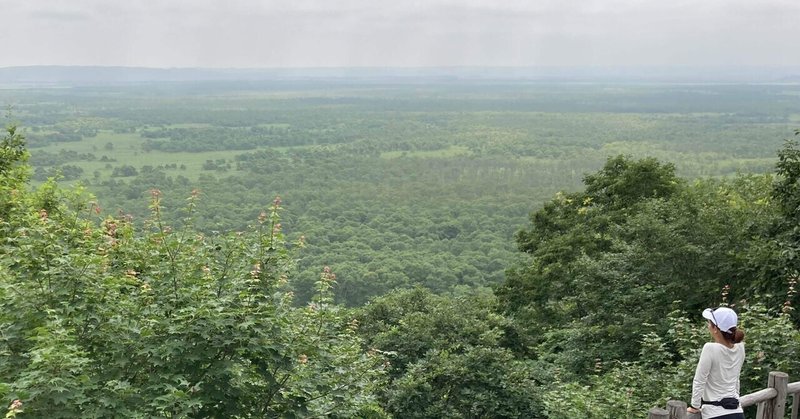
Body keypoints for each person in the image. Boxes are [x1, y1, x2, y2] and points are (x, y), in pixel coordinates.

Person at [687, 307, 745, 418]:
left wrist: (695, 406)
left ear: (715, 329)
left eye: (709, 323)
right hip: (737, 412)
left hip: (715, 414)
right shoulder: (740, 348)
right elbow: (736, 378)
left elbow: (699, 380)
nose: (708, 326)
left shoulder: (710, 348)